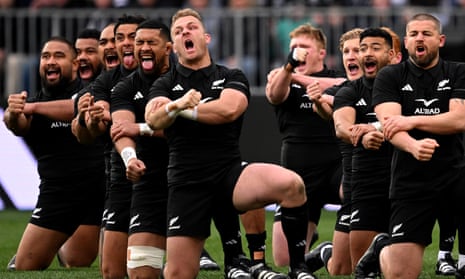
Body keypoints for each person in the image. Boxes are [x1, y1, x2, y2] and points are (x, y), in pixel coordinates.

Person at [145, 8, 316, 279]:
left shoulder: (231, 75)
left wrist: (184, 110)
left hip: (229, 174)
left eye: (191, 27)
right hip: (186, 183)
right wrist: (177, 103)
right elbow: (153, 119)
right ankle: (236, 260)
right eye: (178, 31)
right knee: (178, 273)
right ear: (174, 47)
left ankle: (299, 267)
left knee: (291, 184)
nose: (185, 33)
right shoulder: (165, 83)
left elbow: (229, 110)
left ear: (206, 37)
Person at [356, 13, 465, 279]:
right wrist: (414, 147)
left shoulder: (458, 71)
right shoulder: (390, 76)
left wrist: (411, 119)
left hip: (457, 173)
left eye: (426, 34)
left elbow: (459, 119)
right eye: (414, 34)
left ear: (440, 40)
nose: (420, 38)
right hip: (411, 179)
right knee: (401, 274)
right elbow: (391, 126)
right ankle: (383, 249)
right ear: (405, 42)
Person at [3, 36, 105, 270]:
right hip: (57, 194)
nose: (51, 61)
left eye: (59, 56)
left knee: (77, 261)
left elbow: (74, 107)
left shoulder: (90, 92)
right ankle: (50, 241)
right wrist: (12, 114)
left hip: (95, 192)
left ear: (76, 64)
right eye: (45, 56)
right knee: (25, 267)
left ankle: (59, 242)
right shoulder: (34, 101)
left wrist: (30, 107)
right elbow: (18, 124)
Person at [265, 22, 345, 267]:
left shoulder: (333, 77)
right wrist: (288, 70)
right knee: (284, 261)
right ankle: (321, 252)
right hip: (299, 175)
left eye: (305, 46)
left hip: (336, 167)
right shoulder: (283, 79)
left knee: (358, 193)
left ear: (321, 53)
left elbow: (345, 86)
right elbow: (274, 95)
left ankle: (348, 244)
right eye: (294, 47)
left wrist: (293, 73)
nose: (298, 51)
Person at [72, 14, 146, 279]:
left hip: (162, 176)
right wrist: (87, 118)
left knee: (145, 270)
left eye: (133, 37)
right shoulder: (105, 82)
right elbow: (89, 130)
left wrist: (137, 127)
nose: (125, 43)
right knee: (111, 271)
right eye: (119, 38)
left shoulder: (165, 74)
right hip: (120, 178)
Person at [110, 18, 172, 279]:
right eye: (140, 43)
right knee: (118, 273)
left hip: (191, 172)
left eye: (151, 42)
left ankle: (242, 258)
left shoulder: (185, 78)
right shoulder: (125, 86)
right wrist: (130, 159)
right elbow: (121, 129)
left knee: (245, 181)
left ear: (168, 48)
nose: (144, 47)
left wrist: (142, 128)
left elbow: (193, 130)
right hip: (148, 178)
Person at [332, 28, 397, 277]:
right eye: (362, 49)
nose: (365, 54)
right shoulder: (349, 91)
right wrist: (360, 135)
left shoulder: (405, 85)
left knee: (397, 269)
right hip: (365, 181)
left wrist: (374, 126)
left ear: (392, 55)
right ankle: (330, 251)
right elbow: (341, 126)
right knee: (348, 269)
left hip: (403, 181)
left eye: (374, 48)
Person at [303, 27, 364, 276]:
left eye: (357, 50)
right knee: (341, 270)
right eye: (346, 52)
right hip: (356, 181)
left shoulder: (387, 87)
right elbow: (328, 110)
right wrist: (318, 100)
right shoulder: (341, 91)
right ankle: (327, 250)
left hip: (388, 182)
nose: (351, 56)